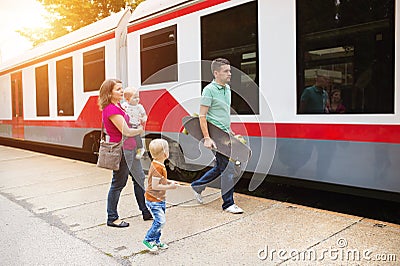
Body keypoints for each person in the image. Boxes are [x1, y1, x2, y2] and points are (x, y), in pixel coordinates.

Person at [190, 58, 244, 214]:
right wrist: (207, 137)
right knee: (228, 168)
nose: (230, 73)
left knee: (222, 166)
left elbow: (224, 113)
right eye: (226, 71)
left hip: (224, 134)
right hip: (214, 135)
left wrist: (229, 130)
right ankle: (228, 203)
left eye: (230, 71)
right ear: (216, 73)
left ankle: (198, 185)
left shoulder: (227, 89)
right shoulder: (209, 90)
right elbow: (202, 115)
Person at [98, 79, 152, 228]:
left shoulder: (119, 106)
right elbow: (126, 131)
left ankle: (145, 211)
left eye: (122, 89)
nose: (121, 91)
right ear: (109, 93)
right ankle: (112, 217)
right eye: (118, 89)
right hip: (122, 151)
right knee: (118, 184)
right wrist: (140, 130)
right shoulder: (111, 109)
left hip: (131, 148)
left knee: (139, 179)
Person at [142, 139, 178, 252]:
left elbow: (161, 180)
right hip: (153, 200)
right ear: (164, 153)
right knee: (160, 221)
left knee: (159, 222)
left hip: (159, 199)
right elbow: (155, 186)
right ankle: (148, 239)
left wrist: (169, 182)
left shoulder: (158, 164)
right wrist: (169, 187)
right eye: (168, 149)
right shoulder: (157, 167)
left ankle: (156, 241)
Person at [122, 87, 147, 159]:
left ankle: (140, 148)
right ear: (127, 99)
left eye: (138, 97)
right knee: (127, 137)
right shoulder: (125, 105)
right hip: (128, 125)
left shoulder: (139, 107)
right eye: (134, 98)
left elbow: (144, 115)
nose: (137, 99)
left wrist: (144, 119)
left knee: (137, 137)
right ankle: (130, 149)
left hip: (136, 125)